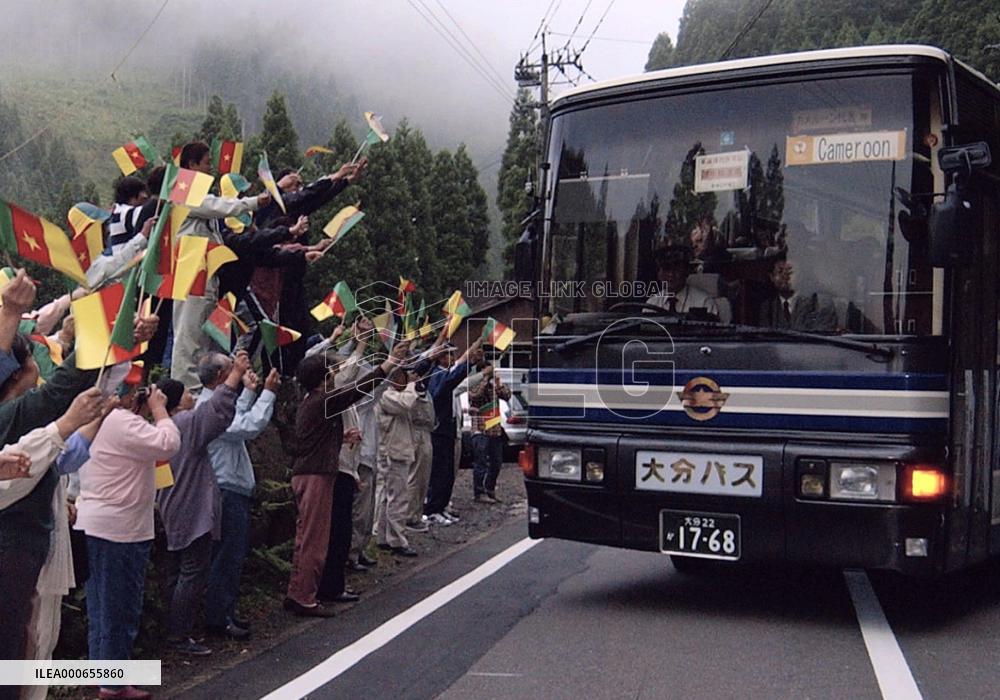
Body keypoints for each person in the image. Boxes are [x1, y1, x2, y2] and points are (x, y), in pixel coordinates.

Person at [284, 339, 408, 616]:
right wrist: (388, 364)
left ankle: (298, 591)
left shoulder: (312, 403)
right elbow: (356, 391)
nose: (334, 375)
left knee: (307, 536)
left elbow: (312, 440)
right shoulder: (321, 401)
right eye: (330, 371)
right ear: (322, 378)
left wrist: (341, 438)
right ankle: (304, 597)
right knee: (314, 539)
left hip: (310, 472)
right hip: (315, 475)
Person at [74, 382, 180, 700]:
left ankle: (101, 675)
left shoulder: (93, 420)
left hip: (94, 522)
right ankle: (113, 685)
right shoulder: (121, 421)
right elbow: (168, 443)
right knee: (119, 609)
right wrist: (159, 409)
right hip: (121, 530)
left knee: (100, 607)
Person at [0, 389, 108, 700]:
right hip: (16, 556)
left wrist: (97, 415)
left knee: (34, 644)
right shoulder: (14, 426)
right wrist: (68, 421)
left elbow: (67, 456)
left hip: (34, 560)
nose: (34, 399)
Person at [156, 352, 248, 655]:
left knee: (175, 573)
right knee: (192, 572)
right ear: (173, 402)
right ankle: (179, 634)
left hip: (170, 504)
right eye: (186, 394)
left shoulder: (158, 428)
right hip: (191, 506)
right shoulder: (183, 423)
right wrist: (235, 375)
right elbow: (217, 411)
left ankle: (172, 628)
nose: (192, 397)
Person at [170, 141, 270, 391]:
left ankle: (202, 388)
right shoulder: (182, 189)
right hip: (191, 270)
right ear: (192, 164)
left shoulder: (194, 193)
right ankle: (187, 390)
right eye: (206, 163)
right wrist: (254, 202)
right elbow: (219, 206)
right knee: (189, 334)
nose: (210, 169)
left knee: (204, 334)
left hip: (205, 270)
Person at [203, 366, 280, 638]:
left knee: (231, 556)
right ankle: (217, 618)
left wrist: (248, 391)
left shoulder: (216, 404)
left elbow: (237, 415)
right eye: (231, 371)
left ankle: (225, 611)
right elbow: (247, 426)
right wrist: (268, 393)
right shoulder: (210, 407)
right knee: (226, 556)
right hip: (225, 487)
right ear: (218, 377)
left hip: (231, 486)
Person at [423, 337, 482, 524]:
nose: (452, 358)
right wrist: (468, 363)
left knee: (447, 473)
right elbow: (449, 384)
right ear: (441, 357)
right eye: (449, 355)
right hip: (439, 430)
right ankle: (432, 508)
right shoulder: (437, 375)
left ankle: (441, 506)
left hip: (448, 429)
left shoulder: (444, 375)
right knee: (439, 472)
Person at [374, 367, 420, 557]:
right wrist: (412, 386)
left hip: (397, 450)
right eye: (403, 376)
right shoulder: (386, 396)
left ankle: (384, 537)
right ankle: (397, 540)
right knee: (398, 498)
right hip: (393, 453)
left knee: (389, 497)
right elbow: (406, 404)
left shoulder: (394, 395)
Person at [758, 257, 839, 332]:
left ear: (801, 275)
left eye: (790, 271)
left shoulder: (821, 304)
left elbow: (823, 339)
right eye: (780, 271)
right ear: (772, 277)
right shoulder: (767, 307)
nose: (785, 276)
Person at [469, 363, 511, 503]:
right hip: (480, 428)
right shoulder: (474, 383)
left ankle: (490, 488)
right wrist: (484, 378)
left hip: (494, 428)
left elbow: (507, 396)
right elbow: (475, 395)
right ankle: (479, 492)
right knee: (480, 462)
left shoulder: (494, 385)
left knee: (496, 462)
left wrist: (498, 383)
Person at [646, 246, 720, 316]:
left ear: (686, 272)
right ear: (658, 274)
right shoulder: (652, 303)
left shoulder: (703, 303)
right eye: (666, 269)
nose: (671, 274)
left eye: (676, 269)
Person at [405, 371, 435, 531]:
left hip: (426, 432)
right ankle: (409, 516)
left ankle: (417, 513)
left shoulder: (423, 389)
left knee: (423, 478)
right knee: (414, 477)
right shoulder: (406, 391)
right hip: (414, 432)